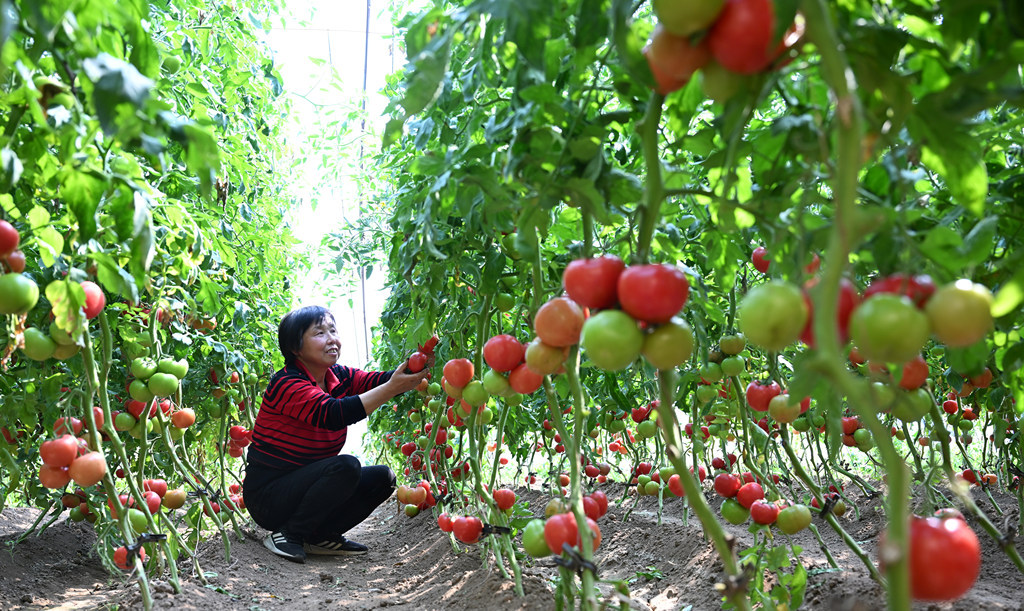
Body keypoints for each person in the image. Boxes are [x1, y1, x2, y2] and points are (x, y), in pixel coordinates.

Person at [242, 305, 430, 563]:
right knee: (346, 467)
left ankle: (319, 536)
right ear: (296, 348)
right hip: (269, 497)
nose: (331, 338)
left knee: (382, 478)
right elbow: (333, 414)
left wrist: (415, 367)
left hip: (305, 487)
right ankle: (289, 534)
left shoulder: (338, 376)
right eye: (319, 333)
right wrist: (391, 388)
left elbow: (377, 381)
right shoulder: (287, 383)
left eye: (333, 330)